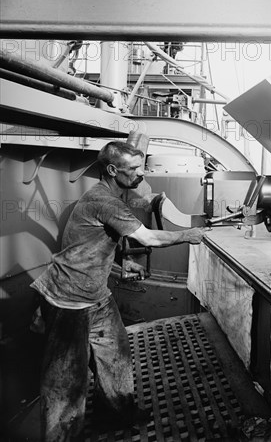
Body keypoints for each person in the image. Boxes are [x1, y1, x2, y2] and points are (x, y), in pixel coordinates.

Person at [31, 141, 209, 441]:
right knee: (67, 383)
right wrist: (187, 234)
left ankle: (113, 416)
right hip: (68, 300)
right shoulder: (104, 201)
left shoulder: (112, 197)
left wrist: (125, 261)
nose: (141, 174)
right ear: (113, 170)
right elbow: (149, 238)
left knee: (117, 356)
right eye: (134, 169)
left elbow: (102, 237)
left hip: (97, 296)